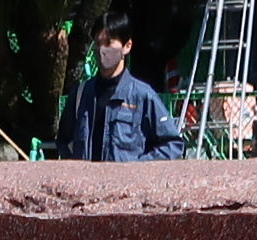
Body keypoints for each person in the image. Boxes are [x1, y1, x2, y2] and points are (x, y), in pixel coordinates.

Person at [57, 12, 184, 163]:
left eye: (109, 43)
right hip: (87, 184)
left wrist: (138, 168)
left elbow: (172, 144)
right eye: (98, 44)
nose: (102, 50)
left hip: (126, 185)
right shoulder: (80, 95)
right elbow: (64, 141)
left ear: (127, 46)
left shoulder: (142, 95)